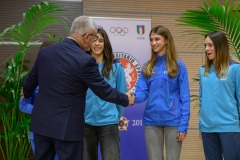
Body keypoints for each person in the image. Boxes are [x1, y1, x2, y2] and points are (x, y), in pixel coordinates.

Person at [22, 16, 134, 160]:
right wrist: (125, 98)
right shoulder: (84, 60)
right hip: (67, 129)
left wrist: (26, 92)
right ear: (87, 36)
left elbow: (29, 82)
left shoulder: (46, 52)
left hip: (41, 126)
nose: (95, 42)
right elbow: (103, 90)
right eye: (94, 38)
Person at [134, 25, 190, 160]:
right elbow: (142, 93)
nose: (153, 43)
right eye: (151, 40)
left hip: (173, 121)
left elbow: (185, 97)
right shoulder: (148, 66)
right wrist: (131, 97)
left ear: (166, 40)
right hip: (151, 121)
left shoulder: (178, 65)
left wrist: (183, 125)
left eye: (157, 39)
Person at [83, 28, 127, 160]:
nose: (97, 43)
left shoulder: (116, 67)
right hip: (86, 124)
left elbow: (121, 95)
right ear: (89, 42)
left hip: (109, 124)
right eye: (94, 40)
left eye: (101, 40)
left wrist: (115, 116)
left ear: (105, 43)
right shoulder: (82, 66)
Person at [199, 31, 240, 160]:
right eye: (205, 45)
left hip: (229, 127)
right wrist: (201, 126)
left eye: (210, 45)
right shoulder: (203, 70)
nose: (207, 49)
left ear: (220, 45)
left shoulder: (235, 69)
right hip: (207, 128)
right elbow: (202, 98)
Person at [19, 41, 59, 160]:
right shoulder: (32, 78)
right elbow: (23, 105)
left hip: (59, 133)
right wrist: (42, 110)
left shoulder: (63, 78)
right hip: (38, 132)